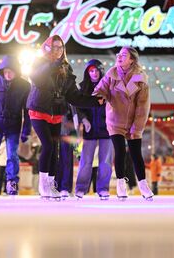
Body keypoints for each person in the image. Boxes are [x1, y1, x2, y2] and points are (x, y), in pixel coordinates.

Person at [27, 35, 102, 200]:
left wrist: (95, 101)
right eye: (54, 47)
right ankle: (43, 184)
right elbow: (38, 80)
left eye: (60, 47)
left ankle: (52, 183)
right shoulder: (39, 63)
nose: (58, 50)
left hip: (56, 113)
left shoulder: (66, 68)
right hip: (39, 110)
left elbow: (73, 96)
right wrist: (52, 63)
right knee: (47, 145)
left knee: (55, 149)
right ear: (47, 48)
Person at [93, 46, 154, 201]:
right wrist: (100, 96)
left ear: (132, 59)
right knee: (119, 151)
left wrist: (137, 126)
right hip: (115, 120)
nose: (119, 57)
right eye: (119, 54)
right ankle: (120, 183)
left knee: (135, 154)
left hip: (134, 121)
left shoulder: (140, 79)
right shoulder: (111, 74)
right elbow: (100, 89)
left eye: (124, 55)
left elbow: (143, 106)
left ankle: (142, 185)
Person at [0, 55, 31, 197]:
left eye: (11, 71)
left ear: (17, 71)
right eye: (5, 71)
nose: (8, 74)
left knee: (12, 155)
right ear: (2, 71)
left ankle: (12, 182)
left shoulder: (24, 86)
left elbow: (28, 110)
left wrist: (26, 130)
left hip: (13, 125)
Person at [75, 59, 113, 200]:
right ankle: (80, 189)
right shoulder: (83, 87)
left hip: (107, 129)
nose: (94, 73)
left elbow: (115, 105)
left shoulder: (108, 86)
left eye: (96, 70)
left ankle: (102, 189)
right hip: (90, 130)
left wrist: (111, 121)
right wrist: (84, 119)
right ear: (87, 72)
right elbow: (77, 106)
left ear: (101, 71)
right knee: (86, 161)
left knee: (105, 161)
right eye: (91, 71)